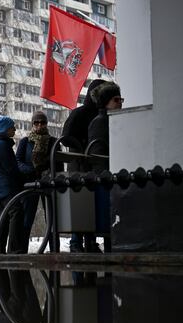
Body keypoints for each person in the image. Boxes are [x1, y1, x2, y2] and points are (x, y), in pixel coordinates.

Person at [62, 78, 106, 253]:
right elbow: (66, 136)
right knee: (78, 206)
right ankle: (75, 243)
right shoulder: (79, 113)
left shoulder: (100, 114)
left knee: (91, 206)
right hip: (78, 165)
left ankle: (91, 242)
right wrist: (82, 146)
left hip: (92, 166)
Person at [88, 82, 122, 253]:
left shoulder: (112, 120)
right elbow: (97, 152)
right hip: (106, 178)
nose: (120, 103)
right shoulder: (100, 122)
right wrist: (104, 174)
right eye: (116, 100)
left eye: (121, 99)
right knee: (109, 224)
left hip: (112, 176)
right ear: (106, 102)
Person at [16, 111, 59, 238]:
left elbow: (59, 163)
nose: (39, 125)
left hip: (48, 183)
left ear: (46, 124)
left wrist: (50, 173)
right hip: (30, 183)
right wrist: (29, 169)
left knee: (51, 218)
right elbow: (18, 161)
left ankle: (53, 248)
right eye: (36, 122)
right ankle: (22, 249)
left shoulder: (53, 142)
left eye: (42, 122)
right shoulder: (25, 142)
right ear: (32, 124)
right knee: (26, 218)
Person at [0, 115, 27, 254]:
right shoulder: (2, 145)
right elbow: (11, 168)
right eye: (12, 127)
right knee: (16, 213)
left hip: (0, 188)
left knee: (3, 218)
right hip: (7, 186)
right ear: (5, 129)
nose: (14, 130)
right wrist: (25, 176)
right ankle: (14, 249)